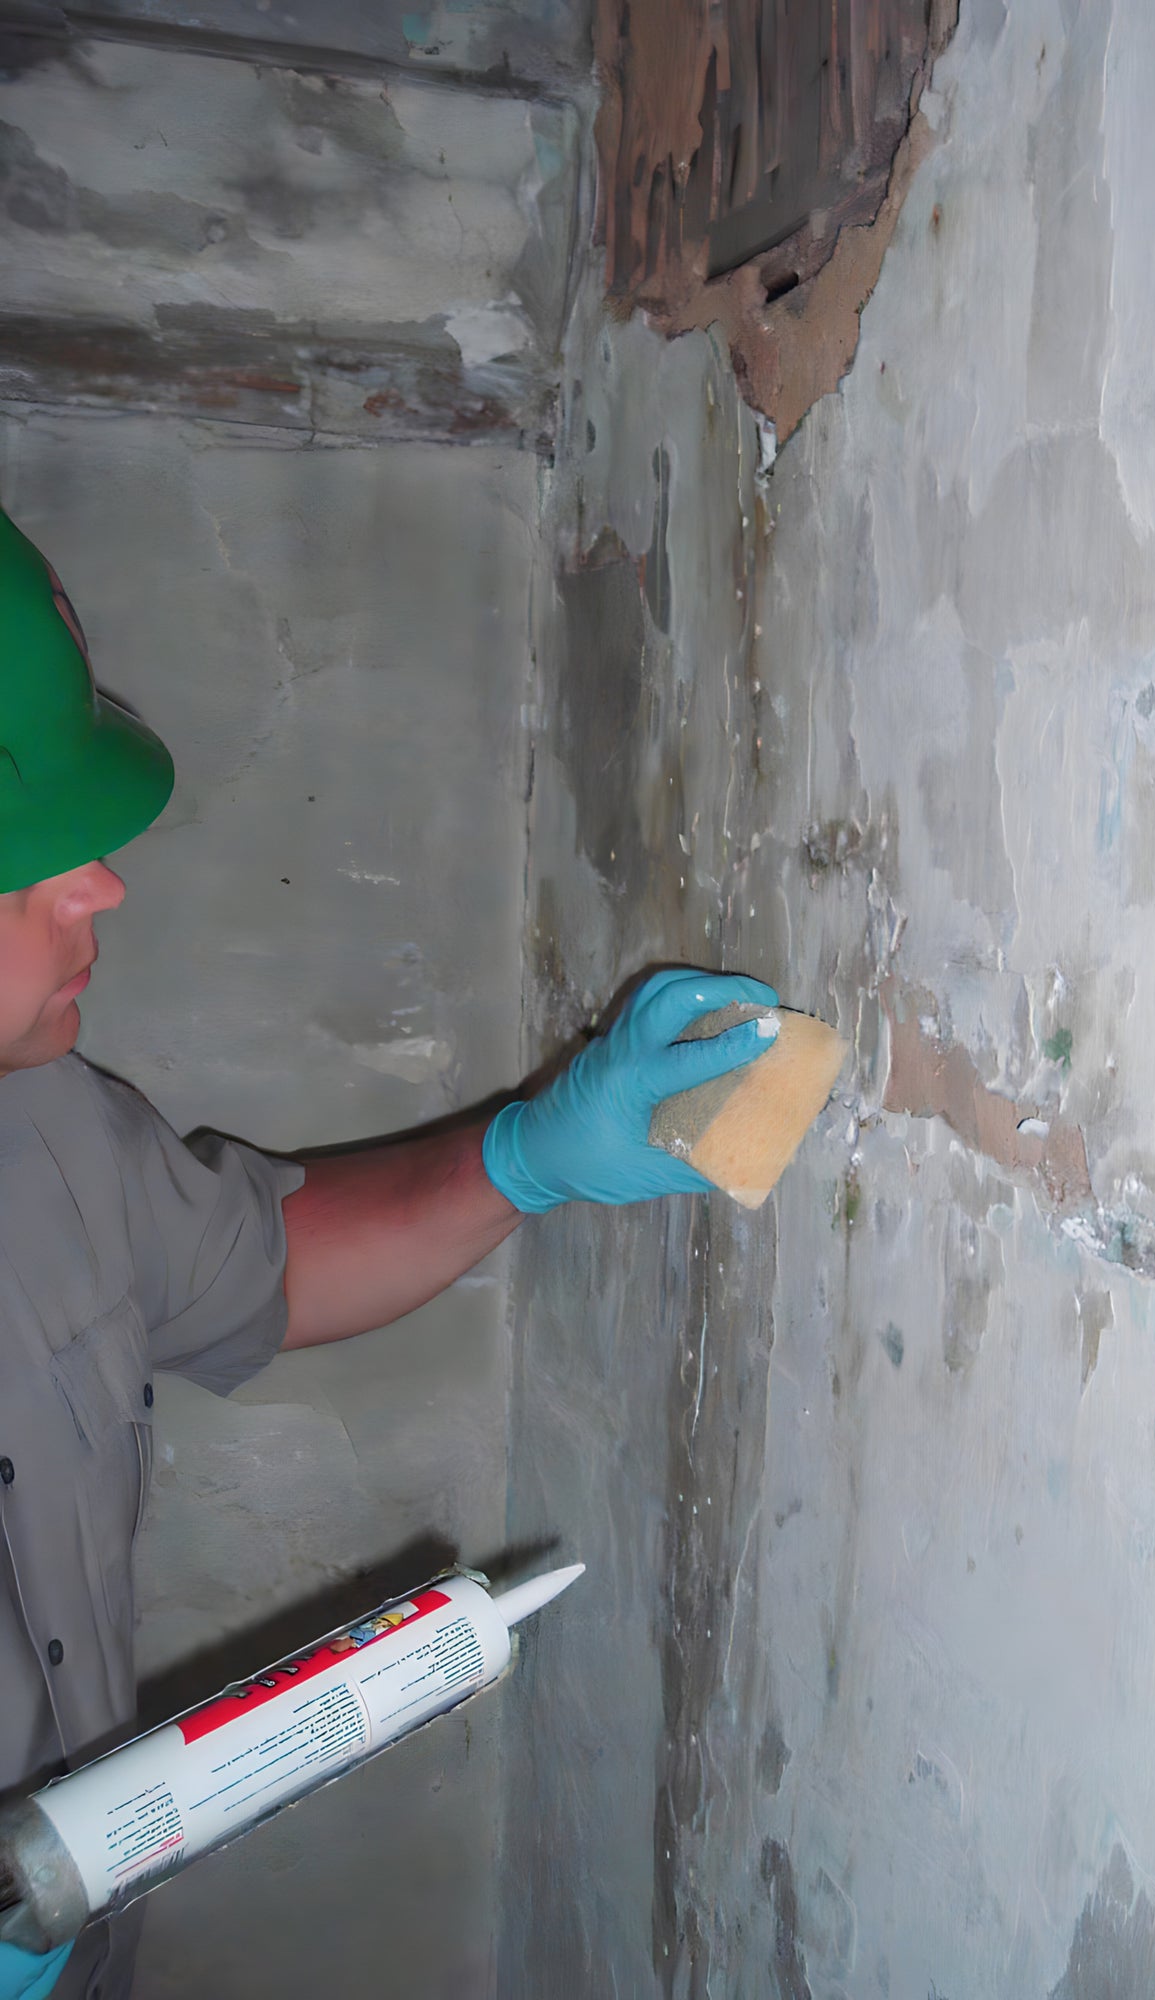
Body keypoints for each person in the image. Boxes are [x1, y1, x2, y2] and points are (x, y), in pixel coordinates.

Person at [0, 503, 777, 2000]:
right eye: (32, 858)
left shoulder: (50, 1138)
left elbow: (272, 1266)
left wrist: (529, 1155)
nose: (100, 884)